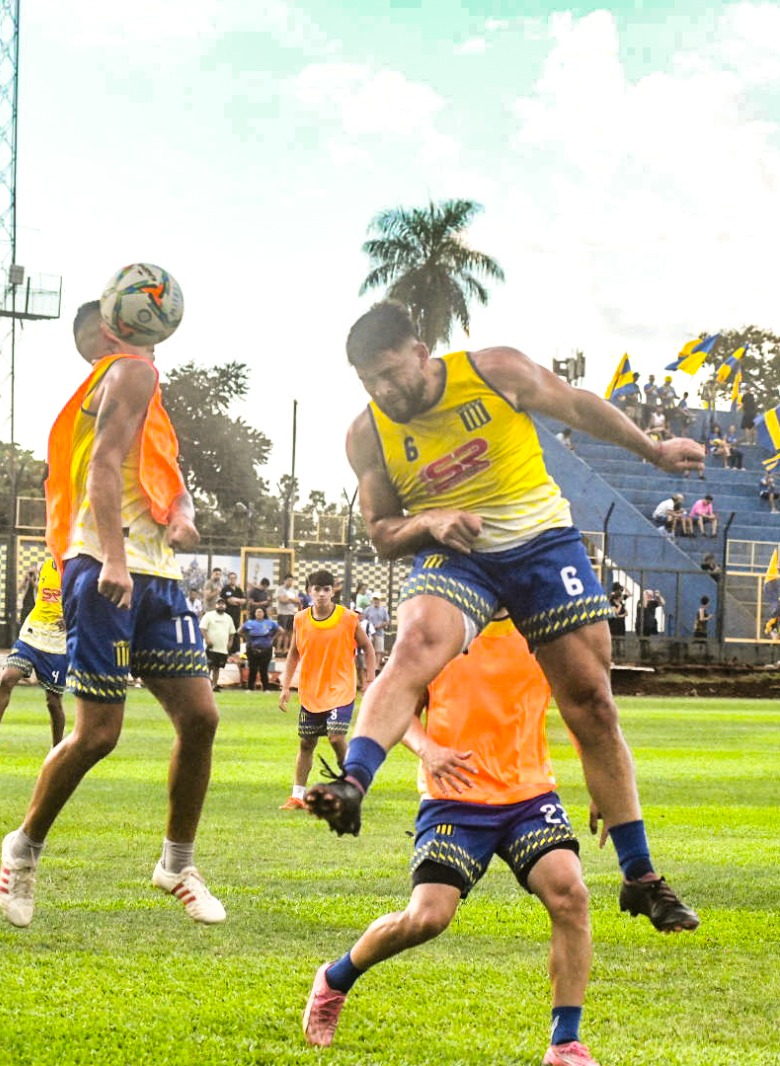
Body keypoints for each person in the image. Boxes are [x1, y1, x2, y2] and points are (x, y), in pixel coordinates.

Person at [305, 301, 702, 932]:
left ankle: (641, 876)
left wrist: (653, 451)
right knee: (414, 647)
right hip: (457, 554)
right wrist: (429, 521)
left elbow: (575, 404)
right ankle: (353, 780)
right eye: (368, 382)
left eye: (389, 373)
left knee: (592, 701)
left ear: (420, 349)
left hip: (541, 540)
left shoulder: (493, 372)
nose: (383, 391)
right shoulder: (368, 433)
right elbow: (382, 531)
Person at [0, 298, 224, 929]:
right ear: (112, 331)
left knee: (201, 717)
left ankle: (177, 864)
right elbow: (99, 468)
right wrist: (116, 561)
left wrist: (182, 513)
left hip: (156, 571)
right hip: (106, 565)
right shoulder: (129, 374)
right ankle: (23, 848)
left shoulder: (141, 389)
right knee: (98, 733)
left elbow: (157, 475)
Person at [302, 612, 601, 1065]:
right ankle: (335, 981)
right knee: (427, 918)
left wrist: (602, 781)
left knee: (570, 895)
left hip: (529, 795)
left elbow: (583, 704)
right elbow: (397, 705)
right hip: (454, 799)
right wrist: (430, 750)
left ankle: (565, 1044)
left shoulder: (542, 631)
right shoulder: (441, 630)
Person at [279, 570, 376, 810]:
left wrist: (370, 680)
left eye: (326, 589)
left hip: (341, 689)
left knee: (335, 737)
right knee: (306, 743)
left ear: (333, 591)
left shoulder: (348, 618)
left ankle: (350, 787)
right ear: (309, 591)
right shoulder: (300, 619)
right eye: (316, 589)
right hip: (312, 691)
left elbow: (368, 648)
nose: (321, 594)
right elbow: (293, 654)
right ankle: (297, 796)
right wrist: (285, 686)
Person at [0, 558, 66, 750]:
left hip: (57, 642)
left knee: (53, 701)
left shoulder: (78, 571)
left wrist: (73, 619)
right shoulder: (45, 565)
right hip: (32, 634)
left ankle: (57, 748)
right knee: (7, 678)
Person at [239, 606, 278, 691]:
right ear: (255, 613)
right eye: (257, 612)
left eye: (261, 612)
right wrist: (246, 638)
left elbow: (280, 630)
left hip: (266, 648)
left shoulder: (270, 623)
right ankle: (250, 688)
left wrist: (273, 639)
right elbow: (239, 631)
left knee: (264, 669)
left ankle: (266, 688)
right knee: (252, 668)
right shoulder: (249, 623)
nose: (259, 614)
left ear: (264, 613)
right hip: (252, 648)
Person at [200, 598, 236, 690]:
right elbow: (202, 628)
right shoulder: (209, 615)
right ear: (215, 605)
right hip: (211, 647)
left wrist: (230, 642)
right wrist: (207, 639)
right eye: (219, 603)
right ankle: (206, 686)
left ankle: (214, 685)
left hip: (222, 648)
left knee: (217, 668)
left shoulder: (228, 618)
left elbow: (232, 632)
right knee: (208, 666)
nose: (221, 605)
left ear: (225, 606)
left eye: (222, 604)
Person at [274, 574, 302, 655]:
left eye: (291, 580)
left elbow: (298, 601)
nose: (290, 582)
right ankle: (278, 649)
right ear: (284, 580)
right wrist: (291, 599)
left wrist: (289, 598)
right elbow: (282, 600)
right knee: (281, 632)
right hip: (282, 613)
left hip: (291, 613)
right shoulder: (280, 589)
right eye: (288, 580)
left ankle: (286, 649)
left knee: (289, 632)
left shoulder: (293, 590)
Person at [361, 594, 391, 663]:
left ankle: (376, 667)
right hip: (369, 634)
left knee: (378, 651)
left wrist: (380, 625)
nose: (376, 601)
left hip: (379, 633)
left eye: (377, 599)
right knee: (369, 650)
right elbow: (363, 620)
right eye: (375, 599)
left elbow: (387, 621)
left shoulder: (383, 610)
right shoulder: (368, 609)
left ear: (380, 600)